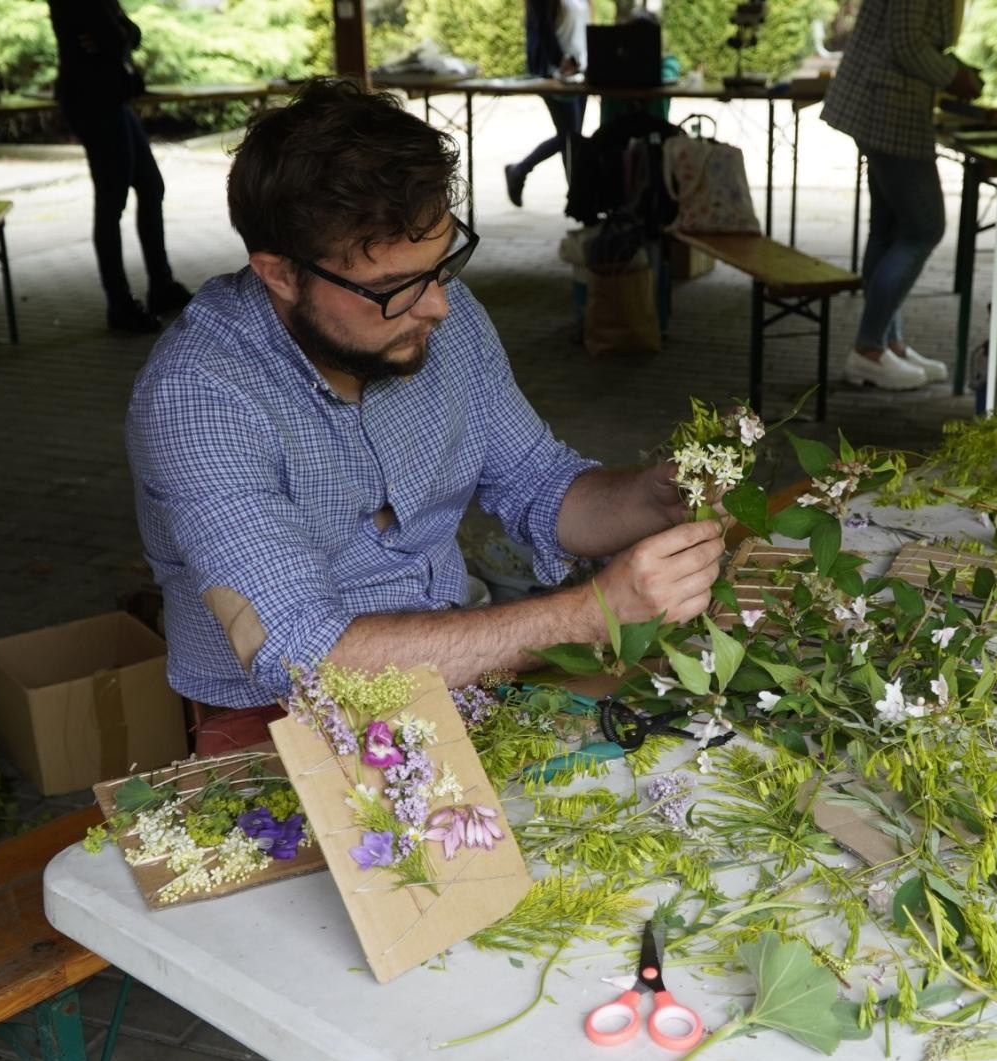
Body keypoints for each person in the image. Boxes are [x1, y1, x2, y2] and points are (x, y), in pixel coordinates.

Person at [126, 79, 724, 755]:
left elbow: (540, 484)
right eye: (394, 289)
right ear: (280, 275)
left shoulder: (441, 317)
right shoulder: (199, 396)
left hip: (462, 668)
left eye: (440, 266)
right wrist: (593, 614)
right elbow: (306, 661)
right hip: (273, 723)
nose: (436, 305)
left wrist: (650, 499)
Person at [821, 0, 982, 391]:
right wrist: (954, 76)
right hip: (889, 107)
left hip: (882, 104)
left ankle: (886, 345)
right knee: (924, 228)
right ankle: (869, 349)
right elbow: (906, 44)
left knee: (890, 230)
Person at [48, 0, 193, 332]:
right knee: (112, 201)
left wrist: (119, 34)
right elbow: (115, 39)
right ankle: (119, 303)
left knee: (151, 186)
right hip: (92, 101)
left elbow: (128, 35)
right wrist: (117, 36)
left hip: (114, 98)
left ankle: (161, 284)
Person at [504, 0, 591, 207]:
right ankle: (577, 199)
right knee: (570, 136)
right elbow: (543, 31)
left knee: (571, 138)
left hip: (580, 71)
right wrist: (562, 60)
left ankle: (576, 197)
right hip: (554, 73)